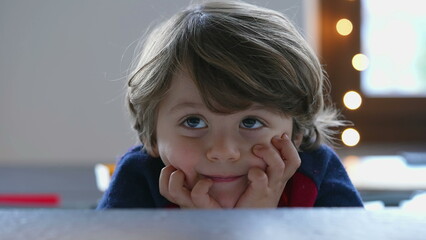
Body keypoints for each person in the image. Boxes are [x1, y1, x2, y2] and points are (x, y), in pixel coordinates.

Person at [97, 0, 363, 209]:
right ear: (151, 136)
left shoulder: (315, 171)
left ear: (296, 133)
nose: (223, 151)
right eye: (193, 121)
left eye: (250, 122)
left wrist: (258, 227)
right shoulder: (139, 177)